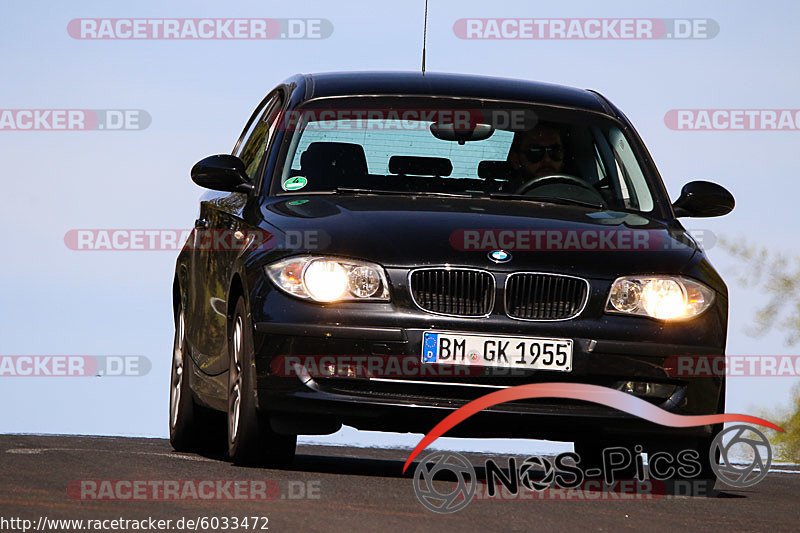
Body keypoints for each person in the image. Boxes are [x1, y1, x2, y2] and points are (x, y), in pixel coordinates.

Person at [504, 122, 566, 192]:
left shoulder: (577, 196)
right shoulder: (504, 197)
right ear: (515, 160)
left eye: (555, 151)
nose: (547, 159)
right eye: (535, 152)